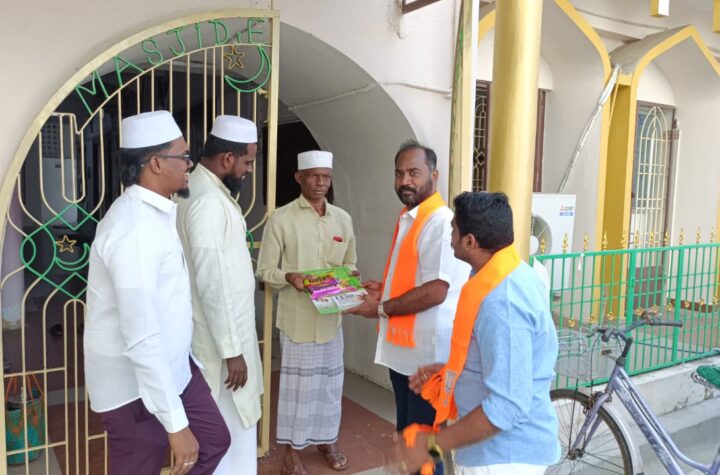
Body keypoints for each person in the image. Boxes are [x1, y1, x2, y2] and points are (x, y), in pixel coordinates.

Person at [84, 110, 230, 475]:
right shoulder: (133, 229)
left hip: (175, 366)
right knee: (140, 466)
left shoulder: (156, 213)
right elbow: (141, 335)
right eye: (183, 156)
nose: (190, 163)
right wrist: (175, 425)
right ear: (155, 163)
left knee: (214, 441)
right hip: (133, 384)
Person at [395, 191, 560, 475]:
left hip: (503, 458)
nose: (450, 235)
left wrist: (431, 446)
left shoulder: (503, 302)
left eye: (453, 229)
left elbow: (506, 407)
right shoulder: (504, 272)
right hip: (495, 452)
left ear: (469, 242)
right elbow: (501, 357)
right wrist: (453, 370)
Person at [348, 141, 470, 474]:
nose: (405, 181)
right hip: (404, 354)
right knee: (409, 439)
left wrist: (380, 307)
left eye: (414, 173)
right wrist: (384, 288)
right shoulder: (410, 217)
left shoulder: (440, 222)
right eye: (399, 173)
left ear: (434, 176)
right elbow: (415, 278)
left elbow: (435, 291)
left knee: (423, 448)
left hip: (427, 359)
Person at [255, 150, 356, 475]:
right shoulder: (281, 219)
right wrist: (289, 277)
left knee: (329, 387)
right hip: (297, 323)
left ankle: (327, 441)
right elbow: (264, 270)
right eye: (314, 176)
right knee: (297, 391)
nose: (321, 183)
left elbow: (350, 264)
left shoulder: (342, 219)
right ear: (299, 177)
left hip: (330, 321)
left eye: (326, 177)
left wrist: (347, 280)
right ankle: (291, 452)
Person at [175, 115, 264, 474]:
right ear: (228, 159)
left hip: (223, 335)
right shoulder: (208, 202)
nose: (249, 170)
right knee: (230, 432)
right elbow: (213, 282)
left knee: (230, 431)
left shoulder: (199, 189)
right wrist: (232, 351)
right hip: (222, 348)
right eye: (248, 162)